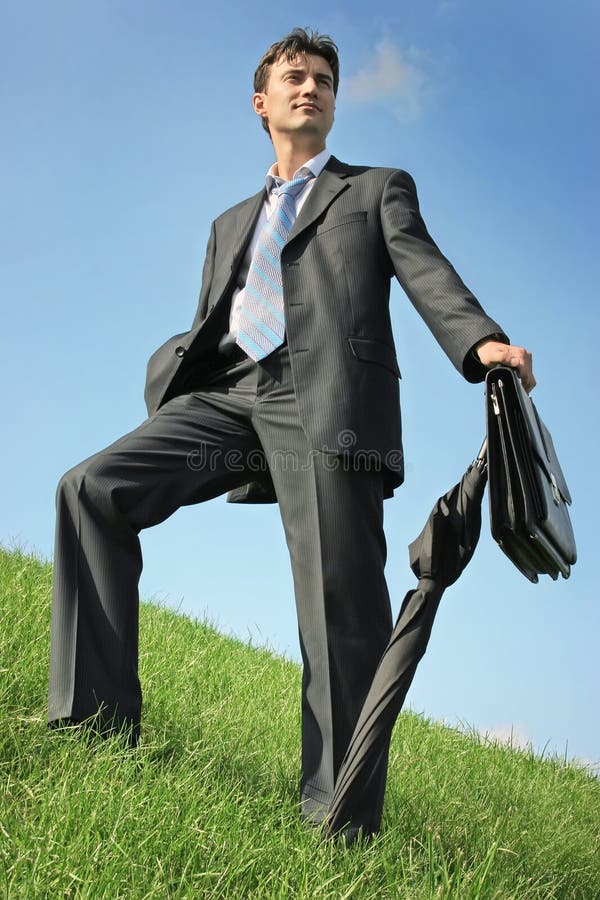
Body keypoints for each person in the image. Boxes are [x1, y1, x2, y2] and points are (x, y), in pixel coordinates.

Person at [48, 28, 535, 841]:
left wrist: (481, 341)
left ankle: (338, 824)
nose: (310, 88)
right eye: (295, 77)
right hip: (230, 396)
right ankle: (94, 723)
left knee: (339, 606)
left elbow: (426, 269)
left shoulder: (374, 189)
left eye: (324, 81)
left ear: (335, 103)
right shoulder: (229, 222)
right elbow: (215, 316)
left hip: (328, 400)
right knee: (90, 489)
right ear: (261, 102)